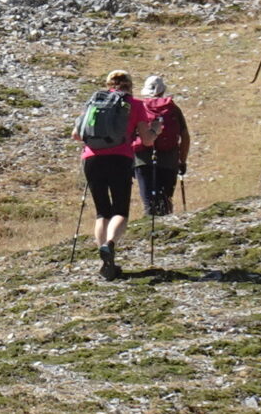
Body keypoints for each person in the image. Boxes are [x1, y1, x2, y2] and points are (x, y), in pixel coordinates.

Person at [75, 70, 153, 279]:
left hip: (91, 159)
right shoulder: (135, 105)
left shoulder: (94, 101)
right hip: (120, 159)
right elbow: (147, 140)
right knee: (120, 211)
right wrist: (155, 130)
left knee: (102, 212)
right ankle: (109, 244)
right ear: (130, 85)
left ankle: (105, 262)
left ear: (108, 84)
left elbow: (76, 134)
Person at [131, 76, 189, 218]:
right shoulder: (173, 108)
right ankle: (165, 226)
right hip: (169, 160)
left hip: (143, 159)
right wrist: (182, 161)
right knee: (165, 200)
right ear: (162, 91)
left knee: (149, 202)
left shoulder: (139, 107)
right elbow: (185, 136)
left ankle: (150, 226)